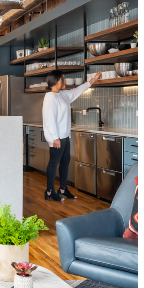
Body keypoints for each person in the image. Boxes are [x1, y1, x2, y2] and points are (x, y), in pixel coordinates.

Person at [43, 70, 102, 201]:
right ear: (56, 80)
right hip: (57, 137)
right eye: (63, 79)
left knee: (65, 163)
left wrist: (93, 80)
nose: (64, 81)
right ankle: (49, 191)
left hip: (65, 135)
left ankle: (63, 189)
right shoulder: (50, 97)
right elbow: (49, 119)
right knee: (54, 163)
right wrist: (54, 137)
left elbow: (78, 90)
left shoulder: (63, 95)